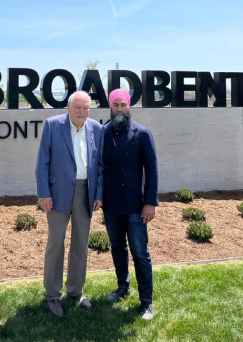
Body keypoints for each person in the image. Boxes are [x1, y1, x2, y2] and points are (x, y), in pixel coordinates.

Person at [36, 90, 104, 317]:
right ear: (68, 107)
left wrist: (98, 193)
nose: (82, 112)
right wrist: (44, 193)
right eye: (78, 107)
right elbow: (42, 162)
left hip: (85, 192)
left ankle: (76, 290)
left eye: (86, 108)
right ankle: (52, 295)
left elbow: (99, 165)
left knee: (80, 244)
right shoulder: (52, 125)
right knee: (56, 243)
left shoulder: (96, 129)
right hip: (57, 193)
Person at [102, 88, 158, 320]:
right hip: (111, 204)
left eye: (123, 104)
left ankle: (146, 302)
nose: (120, 109)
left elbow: (152, 171)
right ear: (110, 107)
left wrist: (150, 203)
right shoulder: (103, 131)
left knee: (140, 253)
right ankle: (122, 286)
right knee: (117, 248)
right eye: (116, 105)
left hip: (136, 205)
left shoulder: (142, 133)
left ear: (129, 106)